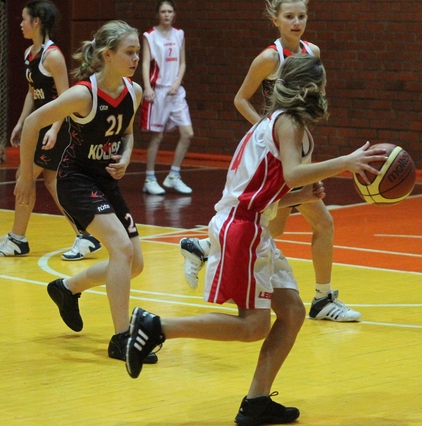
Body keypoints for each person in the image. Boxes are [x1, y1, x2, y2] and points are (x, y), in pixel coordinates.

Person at [126, 54, 387, 425]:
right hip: (242, 228)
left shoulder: (282, 124)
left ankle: (256, 402)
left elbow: (271, 192)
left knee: (292, 312)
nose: (326, 90)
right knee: (253, 326)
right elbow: (292, 173)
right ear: (310, 88)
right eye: (323, 84)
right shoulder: (287, 123)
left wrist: (301, 197)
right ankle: (156, 326)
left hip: (254, 226)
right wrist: (345, 163)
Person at [180, 0, 362, 322]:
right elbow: (240, 99)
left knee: (283, 226)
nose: (296, 22)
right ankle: (321, 299)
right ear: (275, 20)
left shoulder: (312, 52)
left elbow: (316, 96)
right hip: (276, 151)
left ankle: (205, 247)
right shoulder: (269, 58)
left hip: (294, 146)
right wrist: (266, 131)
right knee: (283, 224)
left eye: (301, 16)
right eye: (289, 16)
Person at [15, 21, 157, 363]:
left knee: (135, 264)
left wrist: (126, 156)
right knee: (121, 248)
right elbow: (33, 123)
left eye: (137, 52)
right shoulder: (83, 94)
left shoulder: (134, 92)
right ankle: (121, 339)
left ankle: (67, 289)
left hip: (105, 181)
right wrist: (25, 177)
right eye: (129, 52)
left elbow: (126, 134)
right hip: (75, 180)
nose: (136, 58)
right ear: (107, 55)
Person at [0, 1, 100, 260]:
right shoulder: (30, 53)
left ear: (36, 21)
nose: (21, 24)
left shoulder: (53, 56)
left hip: (54, 127)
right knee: (52, 182)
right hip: (38, 126)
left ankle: (17, 239)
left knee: (23, 176)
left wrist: (55, 129)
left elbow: (66, 98)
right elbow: (32, 93)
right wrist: (21, 122)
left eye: (24, 19)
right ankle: (86, 235)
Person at [140, 0, 194, 195]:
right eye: (163, 11)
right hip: (159, 90)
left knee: (187, 133)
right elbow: (145, 63)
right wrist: (147, 87)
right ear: (158, 14)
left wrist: (177, 82)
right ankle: (149, 179)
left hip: (176, 91)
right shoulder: (149, 36)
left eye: (170, 11)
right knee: (158, 136)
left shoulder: (179, 34)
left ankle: (174, 175)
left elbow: (183, 62)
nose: (166, 15)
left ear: (174, 14)